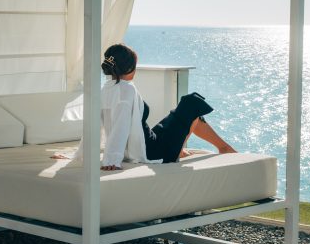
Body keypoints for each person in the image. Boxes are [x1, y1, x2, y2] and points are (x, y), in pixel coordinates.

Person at [59, 43, 237, 171]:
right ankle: (221, 148)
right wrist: (112, 159)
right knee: (191, 102)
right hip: (153, 151)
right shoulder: (126, 90)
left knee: (180, 113)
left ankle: (181, 148)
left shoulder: (106, 88)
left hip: (150, 139)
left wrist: (80, 154)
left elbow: (93, 124)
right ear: (130, 67)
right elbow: (120, 126)